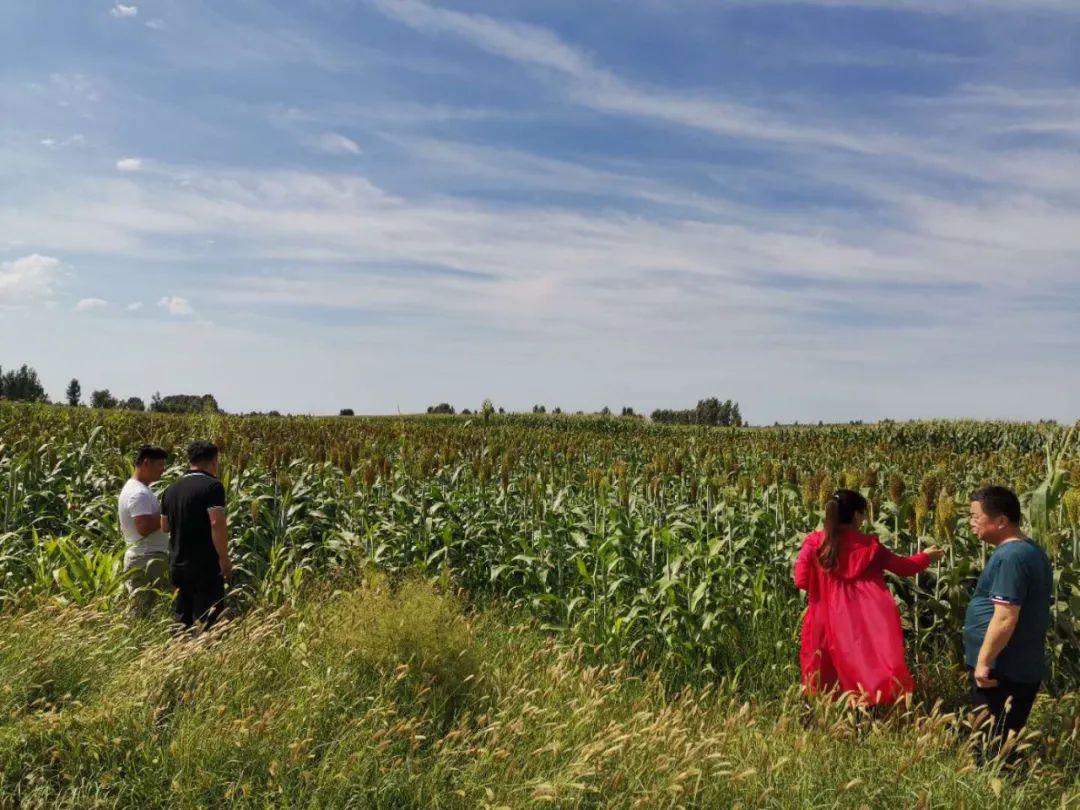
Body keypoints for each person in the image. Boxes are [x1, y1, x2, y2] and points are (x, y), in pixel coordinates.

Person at [794, 489, 945, 705]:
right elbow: (904, 567)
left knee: (823, 676)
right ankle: (864, 721)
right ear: (856, 516)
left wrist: (825, 584)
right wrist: (926, 556)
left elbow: (800, 580)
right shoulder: (869, 547)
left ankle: (822, 723)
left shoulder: (814, 543)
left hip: (822, 621)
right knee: (862, 672)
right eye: (863, 514)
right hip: (858, 624)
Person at [963, 486, 1052, 752]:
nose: (971, 522)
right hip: (1014, 667)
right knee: (1001, 744)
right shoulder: (1028, 550)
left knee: (991, 748)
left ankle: (994, 790)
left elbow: (1004, 618)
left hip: (1002, 670)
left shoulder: (1011, 557)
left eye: (975, 516)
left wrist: (983, 663)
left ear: (1001, 521)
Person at [161, 440, 232, 629]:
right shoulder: (213, 486)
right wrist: (224, 558)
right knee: (208, 622)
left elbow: (165, 526)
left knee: (181, 620)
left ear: (190, 460)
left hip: (177, 564)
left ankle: (178, 655)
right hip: (204, 566)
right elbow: (216, 522)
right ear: (214, 461)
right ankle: (206, 656)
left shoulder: (170, 489)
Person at [118, 445, 171, 614]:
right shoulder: (138, 493)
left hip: (145, 557)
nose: (163, 470)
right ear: (146, 463)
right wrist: (171, 516)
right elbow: (144, 527)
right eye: (160, 465)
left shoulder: (140, 489)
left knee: (143, 610)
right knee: (139, 611)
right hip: (145, 559)